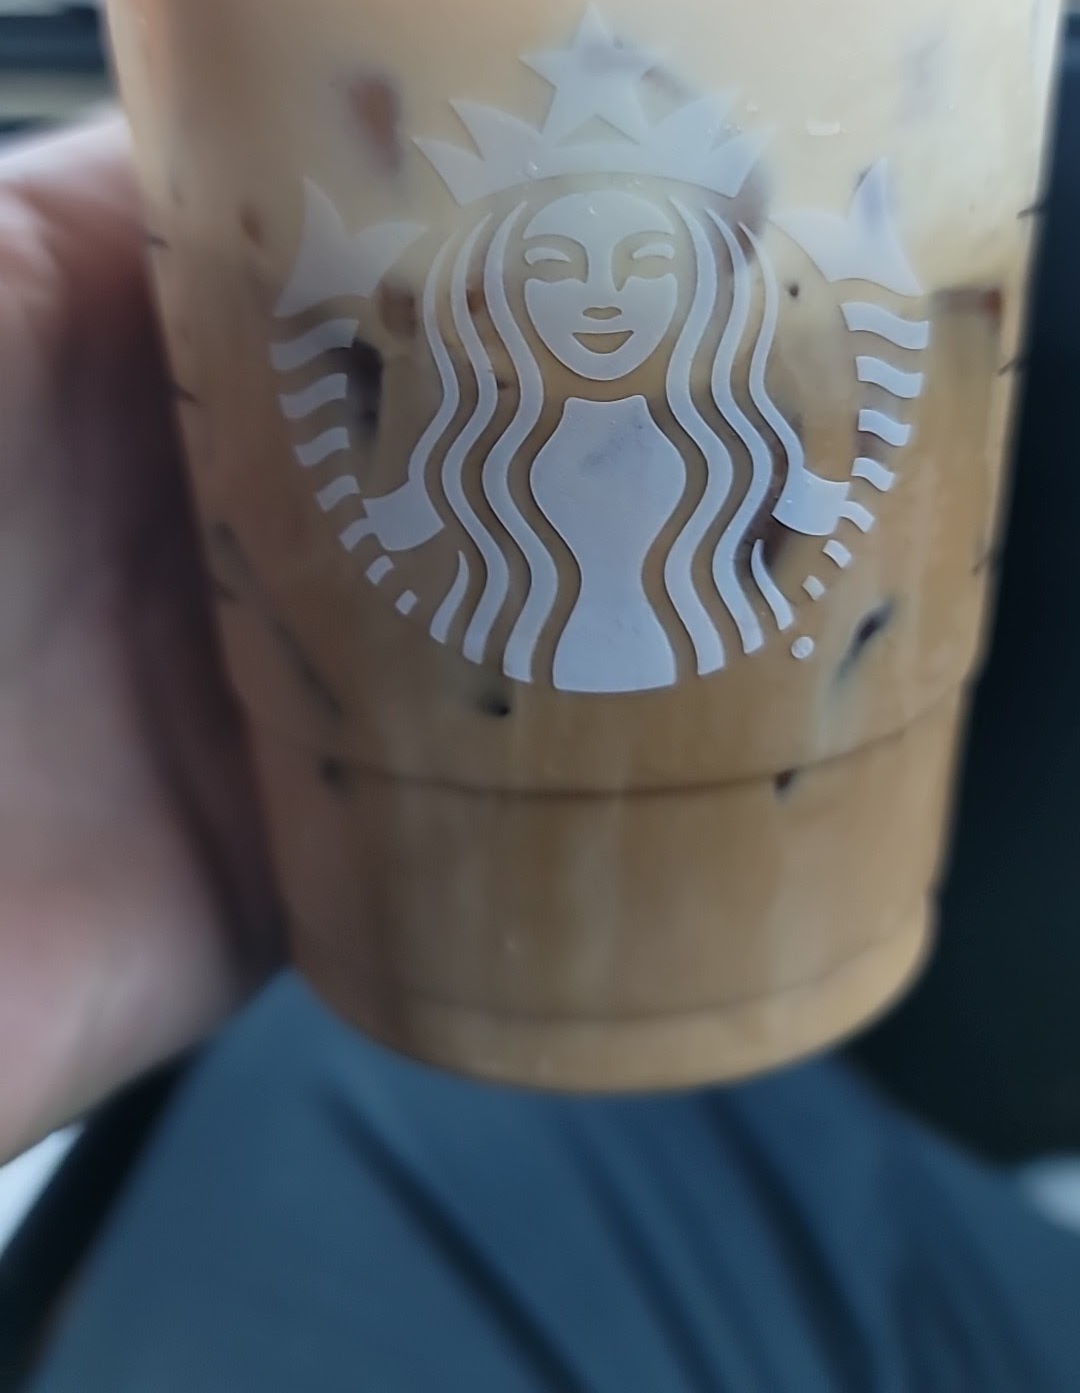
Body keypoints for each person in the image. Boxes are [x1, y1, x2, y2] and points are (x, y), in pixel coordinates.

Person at [5, 117, 1080, 1393]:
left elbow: (850, 454)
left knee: (321, 1090)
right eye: (559, 272)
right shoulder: (461, 459)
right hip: (325, 881)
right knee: (324, 1070)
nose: (604, 307)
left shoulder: (747, 446)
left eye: (644, 271)